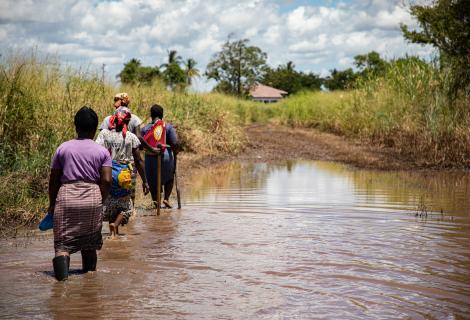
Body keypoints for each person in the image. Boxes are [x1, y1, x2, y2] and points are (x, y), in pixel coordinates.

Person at [48, 106, 112, 281]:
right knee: (90, 245)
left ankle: (61, 287)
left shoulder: (63, 148)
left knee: (62, 245)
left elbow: (54, 180)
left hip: (67, 197)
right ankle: (90, 284)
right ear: (95, 129)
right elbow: (106, 181)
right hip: (92, 197)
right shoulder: (102, 152)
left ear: (75, 126)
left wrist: (52, 204)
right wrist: (100, 199)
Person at [96, 107, 149, 237]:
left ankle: (112, 232)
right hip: (124, 174)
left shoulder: (104, 134)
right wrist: (145, 181)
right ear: (127, 121)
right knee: (126, 206)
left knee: (110, 201)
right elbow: (138, 160)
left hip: (107, 172)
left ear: (113, 120)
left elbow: (96, 152)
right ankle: (115, 225)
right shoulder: (131, 137)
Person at [99, 93, 143, 206]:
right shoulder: (134, 119)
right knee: (128, 193)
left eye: (117, 100)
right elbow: (138, 138)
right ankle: (126, 213)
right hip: (128, 164)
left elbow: (100, 145)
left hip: (109, 165)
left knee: (110, 194)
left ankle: (112, 215)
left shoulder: (107, 120)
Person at [140, 104, 178, 209]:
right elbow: (174, 143)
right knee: (169, 178)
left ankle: (156, 203)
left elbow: (140, 145)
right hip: (165, 158)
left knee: (153, 181)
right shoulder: (168, 127)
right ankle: (166, 198)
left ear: (151, 115)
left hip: (150, 159)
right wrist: (176, 150)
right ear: (162, 115)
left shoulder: (144, 129)